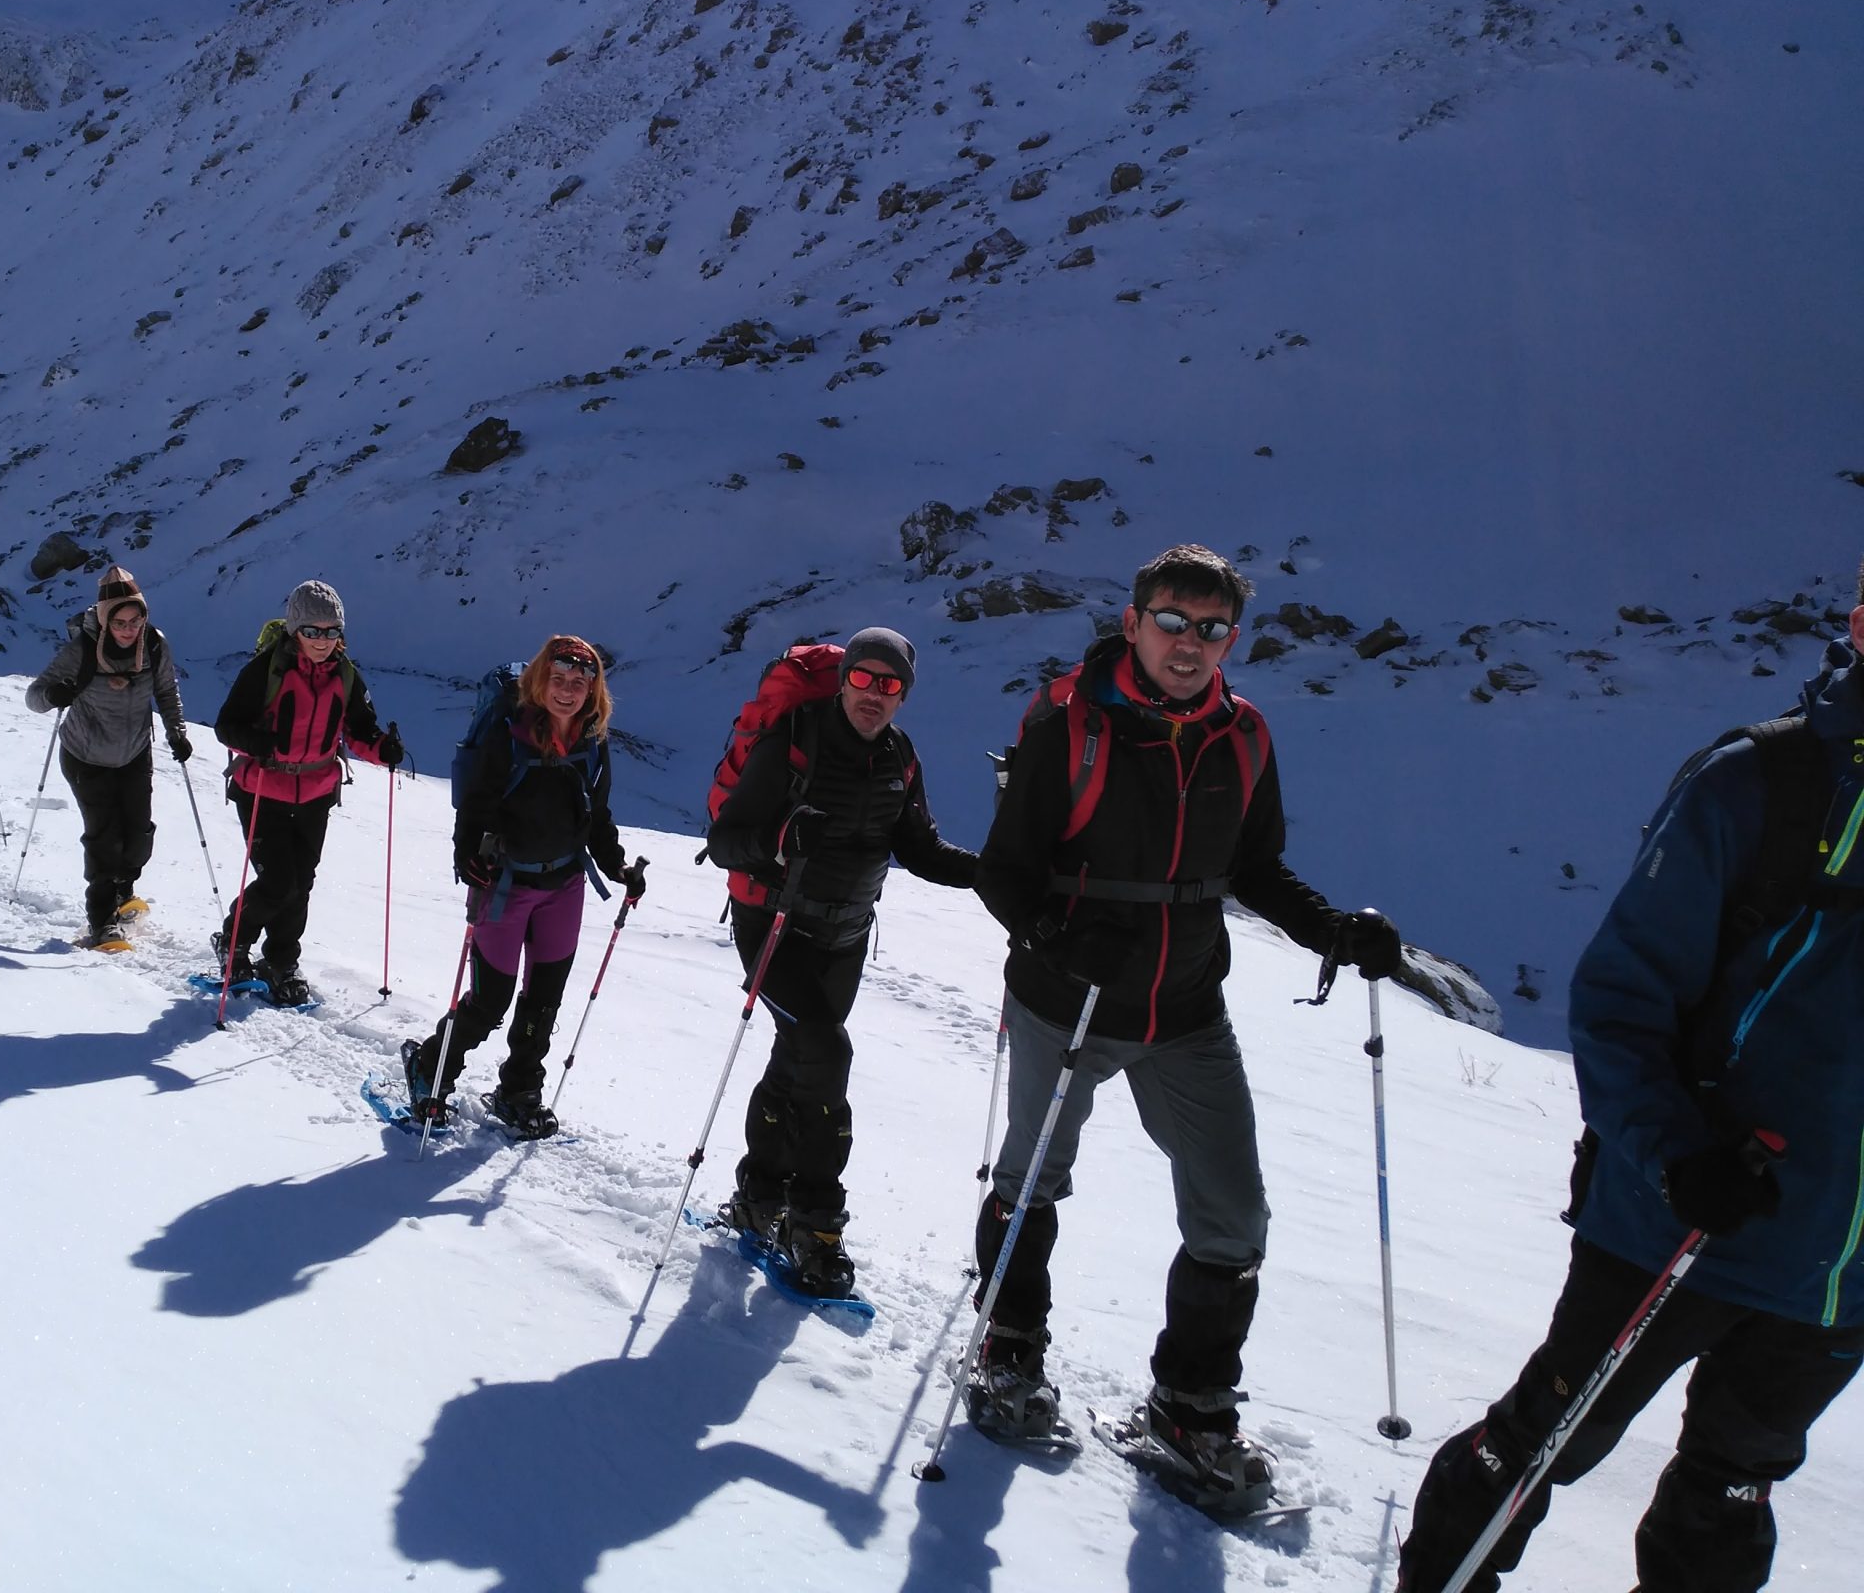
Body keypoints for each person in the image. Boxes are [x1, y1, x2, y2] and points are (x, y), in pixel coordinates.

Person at [1396, 568, 1864, 1593]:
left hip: (1835, 1274)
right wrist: (1677, 1153)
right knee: (1542, 1444)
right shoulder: (1760, 786)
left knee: (1731, 1494)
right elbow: (1616, 1002)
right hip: (1680, 1219)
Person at [964, 543, 1401, 1496]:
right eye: (1171, 620)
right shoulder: (1066, 723)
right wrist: (1056, 937)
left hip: (1186, 1008)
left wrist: (1333, 929)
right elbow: (1002, 871)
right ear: (1133, 622)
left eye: (1211, 629)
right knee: (1033, 1175)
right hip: (1064, 1002)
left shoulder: (1241, 736)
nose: (1189, 643)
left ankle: (1191, 1404)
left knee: (1232, 1214)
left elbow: (1254, 868)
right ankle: (1008, 1346)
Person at [703, 626, 979, 1299]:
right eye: (863, 679)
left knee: (799, 1059)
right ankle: (817, 1222)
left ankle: (758, 1194)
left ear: (903, 697)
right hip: (774, 927)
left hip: (846, 937)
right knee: (828, 1055)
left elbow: (918, 846)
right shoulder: (794, 739)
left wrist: (997, 874)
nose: (873, 694)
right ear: (845, 677)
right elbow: (724, 840)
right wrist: (777, 840)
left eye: (889, 686)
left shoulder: (899, 756)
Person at [403, 635, 646, 1137]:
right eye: (558, 679)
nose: (567, 691)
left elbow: (596, 815)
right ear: (540, 680)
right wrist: (467, 853)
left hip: (565, 885)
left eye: (580, 682)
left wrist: (618, 868)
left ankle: (520, 1088)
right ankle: (431, 1067)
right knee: (490, 1001)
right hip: (505, 884)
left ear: (593, 690)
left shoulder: (594, 741)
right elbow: (475, 803)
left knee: (544, 999)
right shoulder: (510, 734)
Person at [212, 580, 403, 1006]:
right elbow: (228, 725)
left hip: (317, 792)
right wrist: (256, 744)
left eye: (331, 631)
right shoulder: (266, 671)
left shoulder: (346, 676)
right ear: (295, 630)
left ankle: (281, 959)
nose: (322, 640)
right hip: (263, 788)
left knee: (302, 883)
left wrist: (383, 750)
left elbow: (360, 730)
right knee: (279, 882)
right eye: (313, 631)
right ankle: (234, 942)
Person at [25, 566, 195, 948]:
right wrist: (55, 696)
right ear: (105, 619)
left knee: (138, 835)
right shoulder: (82, 649)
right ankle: (102, 921)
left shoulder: (154, 645)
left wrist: (177, 732)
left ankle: (123, 892)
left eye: (136, 620)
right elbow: (35, 695)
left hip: (134, 751)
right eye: (120, 621)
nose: (129, 629)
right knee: (104, 838)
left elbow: (167, 690)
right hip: (85, 755)